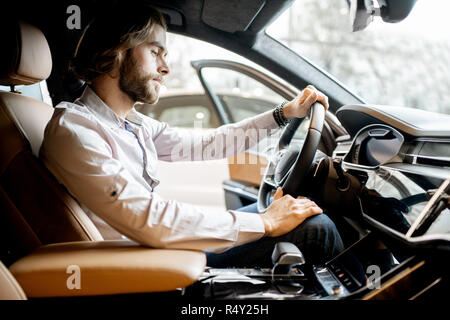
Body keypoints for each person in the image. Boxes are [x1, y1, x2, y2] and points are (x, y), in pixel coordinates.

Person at [40, 4, 344, 268]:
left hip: (154, 248)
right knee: (317, 227)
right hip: (140, 263)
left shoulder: (130, 123)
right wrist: (265, 223)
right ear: (115, 53)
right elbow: (150, 219)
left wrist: (283, 114)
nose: (166, 67)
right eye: (155, 52)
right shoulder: (76, 131)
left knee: (300, 205)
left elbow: (208, 144)